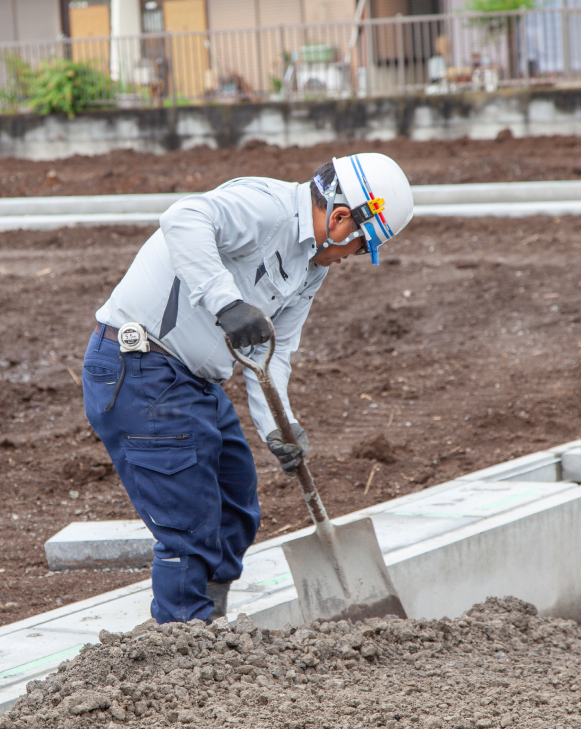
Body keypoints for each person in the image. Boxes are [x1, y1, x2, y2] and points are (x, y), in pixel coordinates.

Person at [81, 153, 414, 624]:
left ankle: (209, 628)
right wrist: (226, 302)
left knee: (236, 507)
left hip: (193, 381)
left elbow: (272, 352)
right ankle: (184, 645)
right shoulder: (268, 208)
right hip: (139, 368)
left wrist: (282, 426)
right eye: (360, 247)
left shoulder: (311, 268)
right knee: (189, 525)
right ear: (341, 219)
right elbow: (183, 217)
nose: (351, 259)